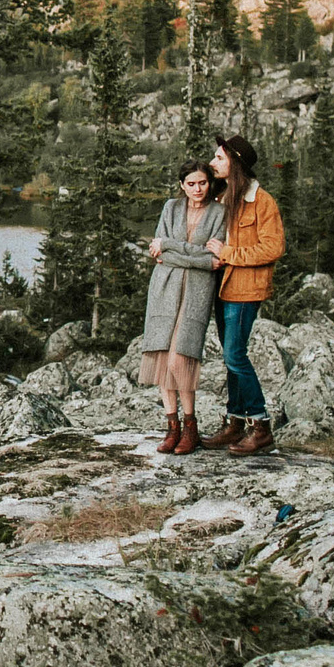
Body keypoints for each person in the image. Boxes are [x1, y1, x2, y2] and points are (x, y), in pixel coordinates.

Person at [201, 133, 285, 455]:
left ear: (234, 163)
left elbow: (273, 247)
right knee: (230, 355)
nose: (213, 163)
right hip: (223, 287)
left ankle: (260, 426)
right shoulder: (224, 199)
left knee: (235, 355)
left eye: (219, 158)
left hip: (246, 289)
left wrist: (229, 253)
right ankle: (235, 422)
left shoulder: (262, 202)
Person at [142, 160, 228, 455]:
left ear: (209, 183)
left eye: (202, 183)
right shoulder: (171, 208)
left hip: (196, 292)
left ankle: (191, 426)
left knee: (181, 359)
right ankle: (172, 427)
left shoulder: (219, 213)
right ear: (182, 185)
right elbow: (161, 254)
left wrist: (171, 247)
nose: (197, 189)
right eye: (190, 184)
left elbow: (212, 259)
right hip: (164, 288)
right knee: (163, 360)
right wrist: (199, 259)